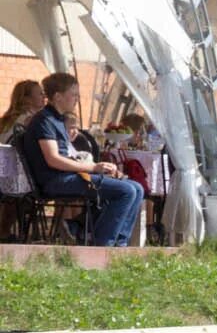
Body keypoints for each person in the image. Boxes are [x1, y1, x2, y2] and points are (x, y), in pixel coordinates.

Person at [18, 72, 143, 247]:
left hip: (68, 176)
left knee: (137, 188)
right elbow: (53, 159)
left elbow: (65, 155)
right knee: (126, 191)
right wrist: (93, 168)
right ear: (58, 97)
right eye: (73, 94)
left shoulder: (58, 120)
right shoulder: (44, 121)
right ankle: (103, 245)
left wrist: (95, 166)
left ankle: (118, 242)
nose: (77, 98)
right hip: (56, 180)